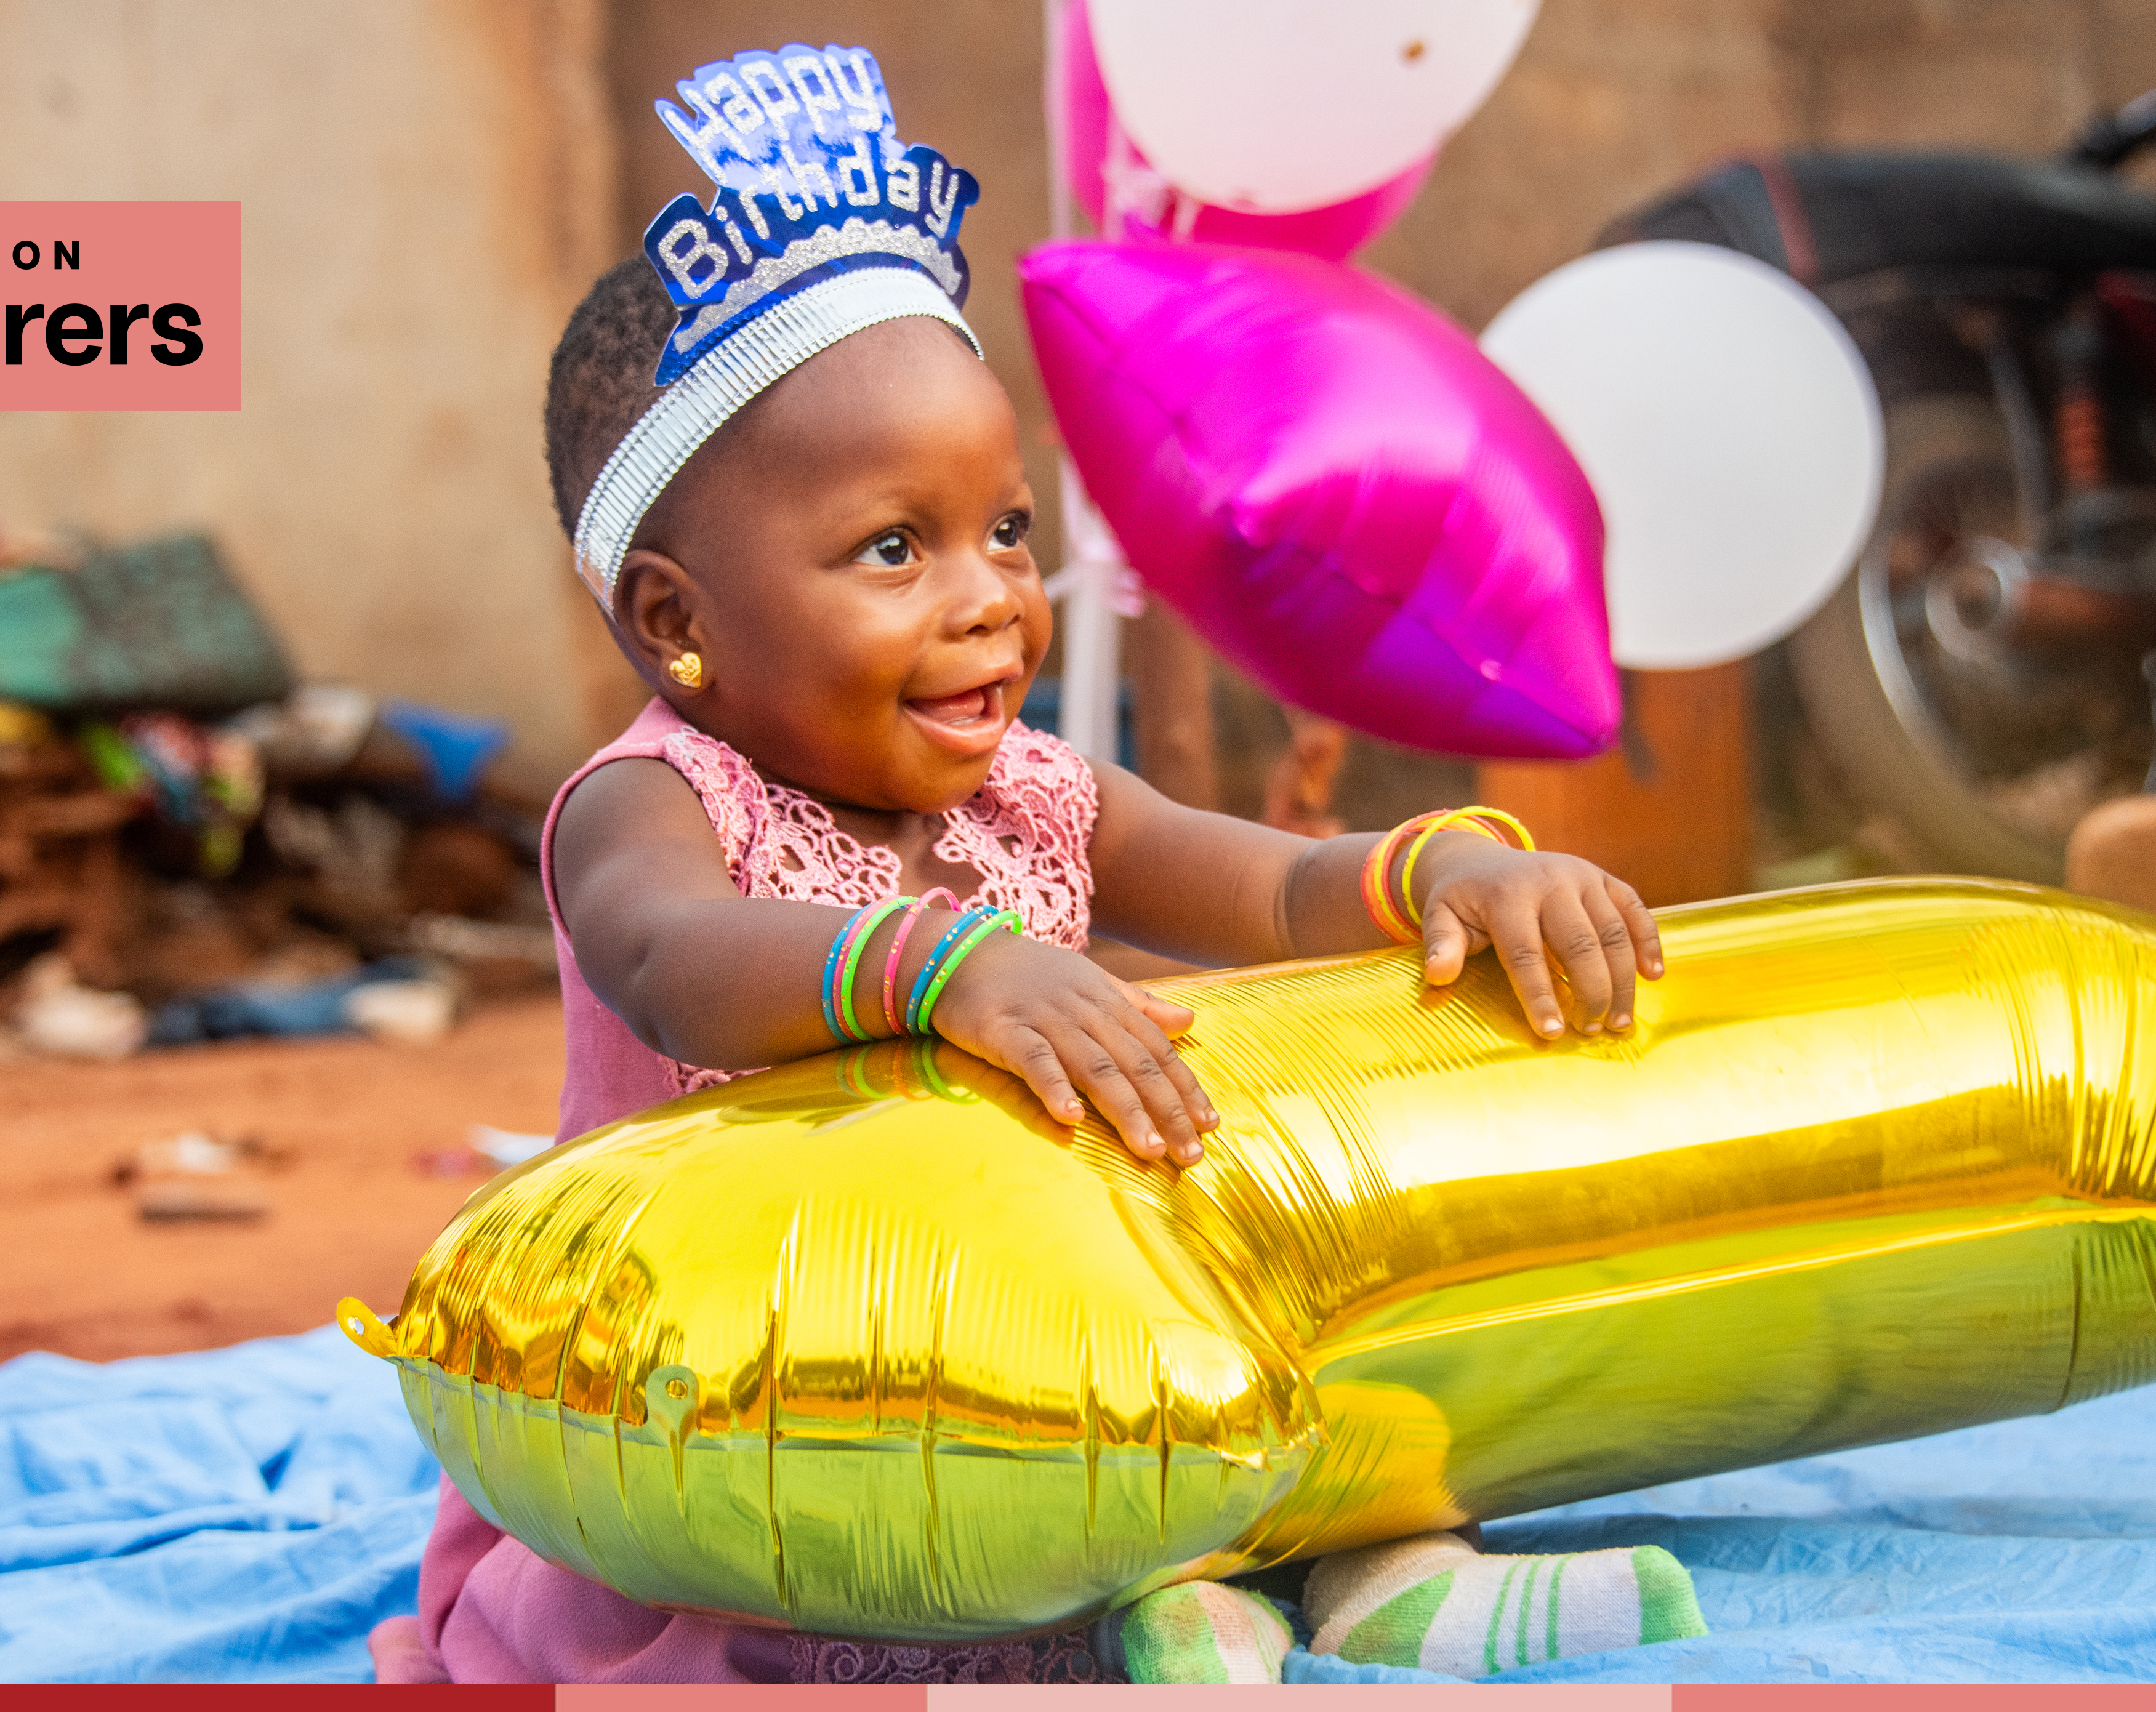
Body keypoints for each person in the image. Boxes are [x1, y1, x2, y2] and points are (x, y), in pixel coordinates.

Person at [369, 43, 1703, 1687]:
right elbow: (671, 952)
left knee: (1288, 1299)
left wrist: (1439, 872)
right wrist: (939, 967)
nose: (991, 593)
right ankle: (1157, 1592)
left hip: (1050, 1339)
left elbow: (1269, 895)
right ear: (677, 621)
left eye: (1006, 527)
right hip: (758, 1397)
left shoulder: (1034, 794)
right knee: (925, 1529)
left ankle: (1375, 1573)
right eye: (892, 547)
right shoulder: (654, 807)